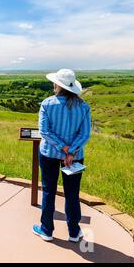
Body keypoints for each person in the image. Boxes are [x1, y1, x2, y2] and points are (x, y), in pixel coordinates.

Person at [32, 69, 91, 243]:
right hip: (74, 157)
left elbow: (44, 131)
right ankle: (74, 232)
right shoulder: (84, 107)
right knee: (72, 193)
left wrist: (62, 147)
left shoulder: (47, 104)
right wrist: (71, 150)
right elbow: (85, 134)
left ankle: (46, 230)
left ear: (58, 85)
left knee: (49, 191)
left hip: (49, 153)